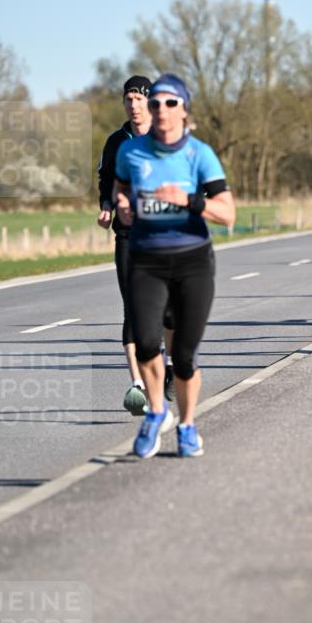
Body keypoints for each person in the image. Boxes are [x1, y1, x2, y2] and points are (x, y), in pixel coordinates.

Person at [114, 73, 235, 458]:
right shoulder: (130, 153)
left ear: (183, 110)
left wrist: (189, 201)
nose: (160, 109)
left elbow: (228, 213)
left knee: (182, 357)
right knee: (147, 343)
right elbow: (118, 186)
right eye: (155, 103)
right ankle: (155, 411)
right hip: (146, 259)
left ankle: (187, 425)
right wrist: (121, 204)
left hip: (192, 263)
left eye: (170, 103)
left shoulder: (199, 154)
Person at [97, 76, 175, 414]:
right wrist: (105, 205)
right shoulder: (116, 142)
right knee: (132, 306)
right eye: (128, 99)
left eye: (138, 98)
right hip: (128, 234)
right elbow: (105, 179)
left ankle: (169, 362)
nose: (133, 104)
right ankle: (137, 385)